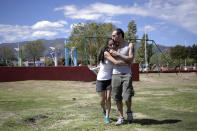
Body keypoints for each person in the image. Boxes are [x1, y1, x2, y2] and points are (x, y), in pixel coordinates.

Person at [96, 38, 128, 123]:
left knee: (108, 98)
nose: (112, 46)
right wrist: (129, 63)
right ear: (107, 45)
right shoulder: (106, 53)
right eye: (110, 45)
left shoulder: (114, 53)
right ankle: (103, 109)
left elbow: (120, 58)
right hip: (101, 79)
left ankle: (107, 116)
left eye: (114, 44)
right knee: (102, 100)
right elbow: (116, 63)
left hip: (110, 79)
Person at [110, 28, 134, 126]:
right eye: (112, 36)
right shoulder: (112, 46)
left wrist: (118, 54)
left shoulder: (129, 45)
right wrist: (125, 62)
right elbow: (127, 61)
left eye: (114, 35)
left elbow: (131, 59)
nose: (112, 37)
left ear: (120, 36)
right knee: (117, 97)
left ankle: (129, 111)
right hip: (115, 74)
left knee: (127, 96)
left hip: (127, 74)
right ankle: (121, 117)